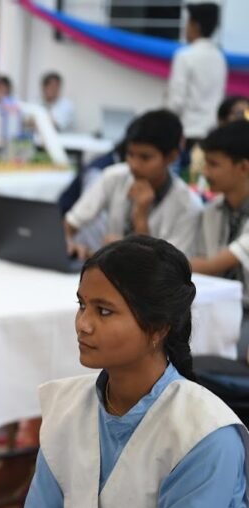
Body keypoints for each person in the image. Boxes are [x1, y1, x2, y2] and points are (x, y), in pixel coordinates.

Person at [22, 235, 248, 508]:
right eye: (81, 305)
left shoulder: (205, 435)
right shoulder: (68, 407)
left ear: (158, 328)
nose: (83, 324)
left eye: (104, 311)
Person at [64, 109, 201, 258]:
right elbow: (70, 223)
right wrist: (69, 243)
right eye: (130, 154)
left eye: (145, 157)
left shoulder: (188, 206)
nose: (134, 165)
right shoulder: (114, 176)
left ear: (171, 157)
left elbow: (171, 270)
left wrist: (140, 218)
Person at [189, 121, 249, 353]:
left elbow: (212, 265)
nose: (205, 172)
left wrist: (162, 261)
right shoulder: (212, 210)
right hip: (217, 307)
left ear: (243, 167)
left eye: (213, 164)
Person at [167, 3, 226, 150]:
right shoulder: (219, 57)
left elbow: (176, 102)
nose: (185, 28)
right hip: (211, 133)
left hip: (187, 134)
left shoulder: (185, 56)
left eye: (188, 23)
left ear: (196, 26)